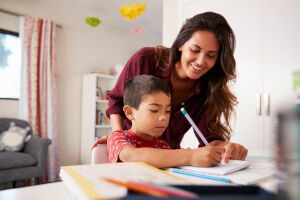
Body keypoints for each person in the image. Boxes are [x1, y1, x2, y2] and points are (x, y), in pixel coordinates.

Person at [92, 11, 248, 162]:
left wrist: (224, 147)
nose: (201, 61)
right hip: (133, 152)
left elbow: (208, 139)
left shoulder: (208, 88)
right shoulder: (145, 60)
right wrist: (119, 136)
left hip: (169, 160)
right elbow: (117, 101)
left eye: (211, 55)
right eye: (195, 50)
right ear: (181, 45)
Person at [107, 75, 223, 168]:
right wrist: (190, 156)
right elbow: (132, 157)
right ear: (130, 112)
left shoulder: (162, 146)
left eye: (167, 111)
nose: (164, 117)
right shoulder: (118, 138)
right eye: (154, 110)